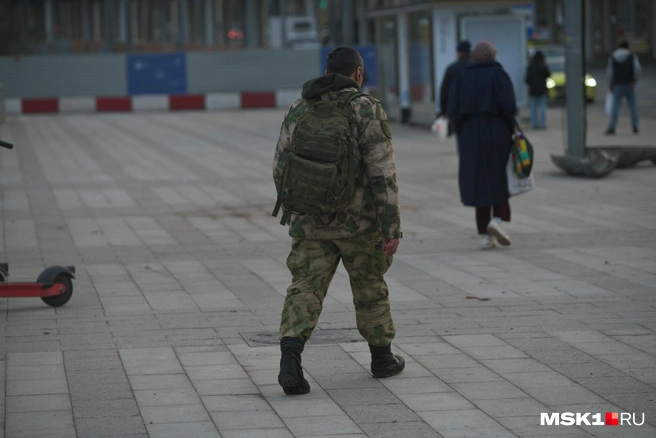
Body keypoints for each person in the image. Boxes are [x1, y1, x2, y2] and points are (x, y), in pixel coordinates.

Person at [272, 47, 405, 395]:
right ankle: (382, 358)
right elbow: (382, 173)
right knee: (369, 289)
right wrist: (391, 228)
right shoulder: (366, 108)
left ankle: (290, 358)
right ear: (358, 74)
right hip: (359, 225)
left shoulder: (299, 107)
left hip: (310, 222)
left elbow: (280, 165)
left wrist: (299, 207)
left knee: (304, 287)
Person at [447, 40, 516, 249]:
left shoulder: (462, 76)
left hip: (470, 133)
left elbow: (453, 108)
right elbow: (509, 106)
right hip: (496, 131)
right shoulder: (499, 74)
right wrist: (509, 130)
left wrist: (463, 130)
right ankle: (497, 220)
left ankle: (486, 235)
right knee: (499, 177)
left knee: (478, 181)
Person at [605, 40, 641, 135]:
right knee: (633, 106)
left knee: (615, 106)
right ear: (627, 46)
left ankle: (612, 127)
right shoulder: (632, 56)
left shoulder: (613, 56)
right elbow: (637, 69)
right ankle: (635, 126)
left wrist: (610, 83)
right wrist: (634, 80)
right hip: (629, 84)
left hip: (617, 84)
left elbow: (610, 71)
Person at [438, 40, 471, 137]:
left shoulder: (452, 68)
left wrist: (443, 110)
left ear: (459, 52)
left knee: (461, 133)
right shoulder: (475, 66)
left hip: (457, 108)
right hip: (473, 107)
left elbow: (444, 90)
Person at [525, 50, 551, 129]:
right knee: (542, 107)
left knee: (533, 108)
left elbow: (527, 79)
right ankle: (542, 124)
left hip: (533, 90)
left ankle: (534, 124)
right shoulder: (543, 66)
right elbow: (549, 74)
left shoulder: (530, 66)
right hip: (542, 89)